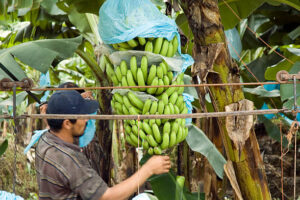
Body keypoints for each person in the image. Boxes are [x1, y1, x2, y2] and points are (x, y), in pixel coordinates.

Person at [35, 90, 171, 200]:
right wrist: (148, 169)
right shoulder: (68, 160)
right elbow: (106, 196)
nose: (87, 119)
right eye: (82, 116)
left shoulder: (45, 140)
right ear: (67, 123)